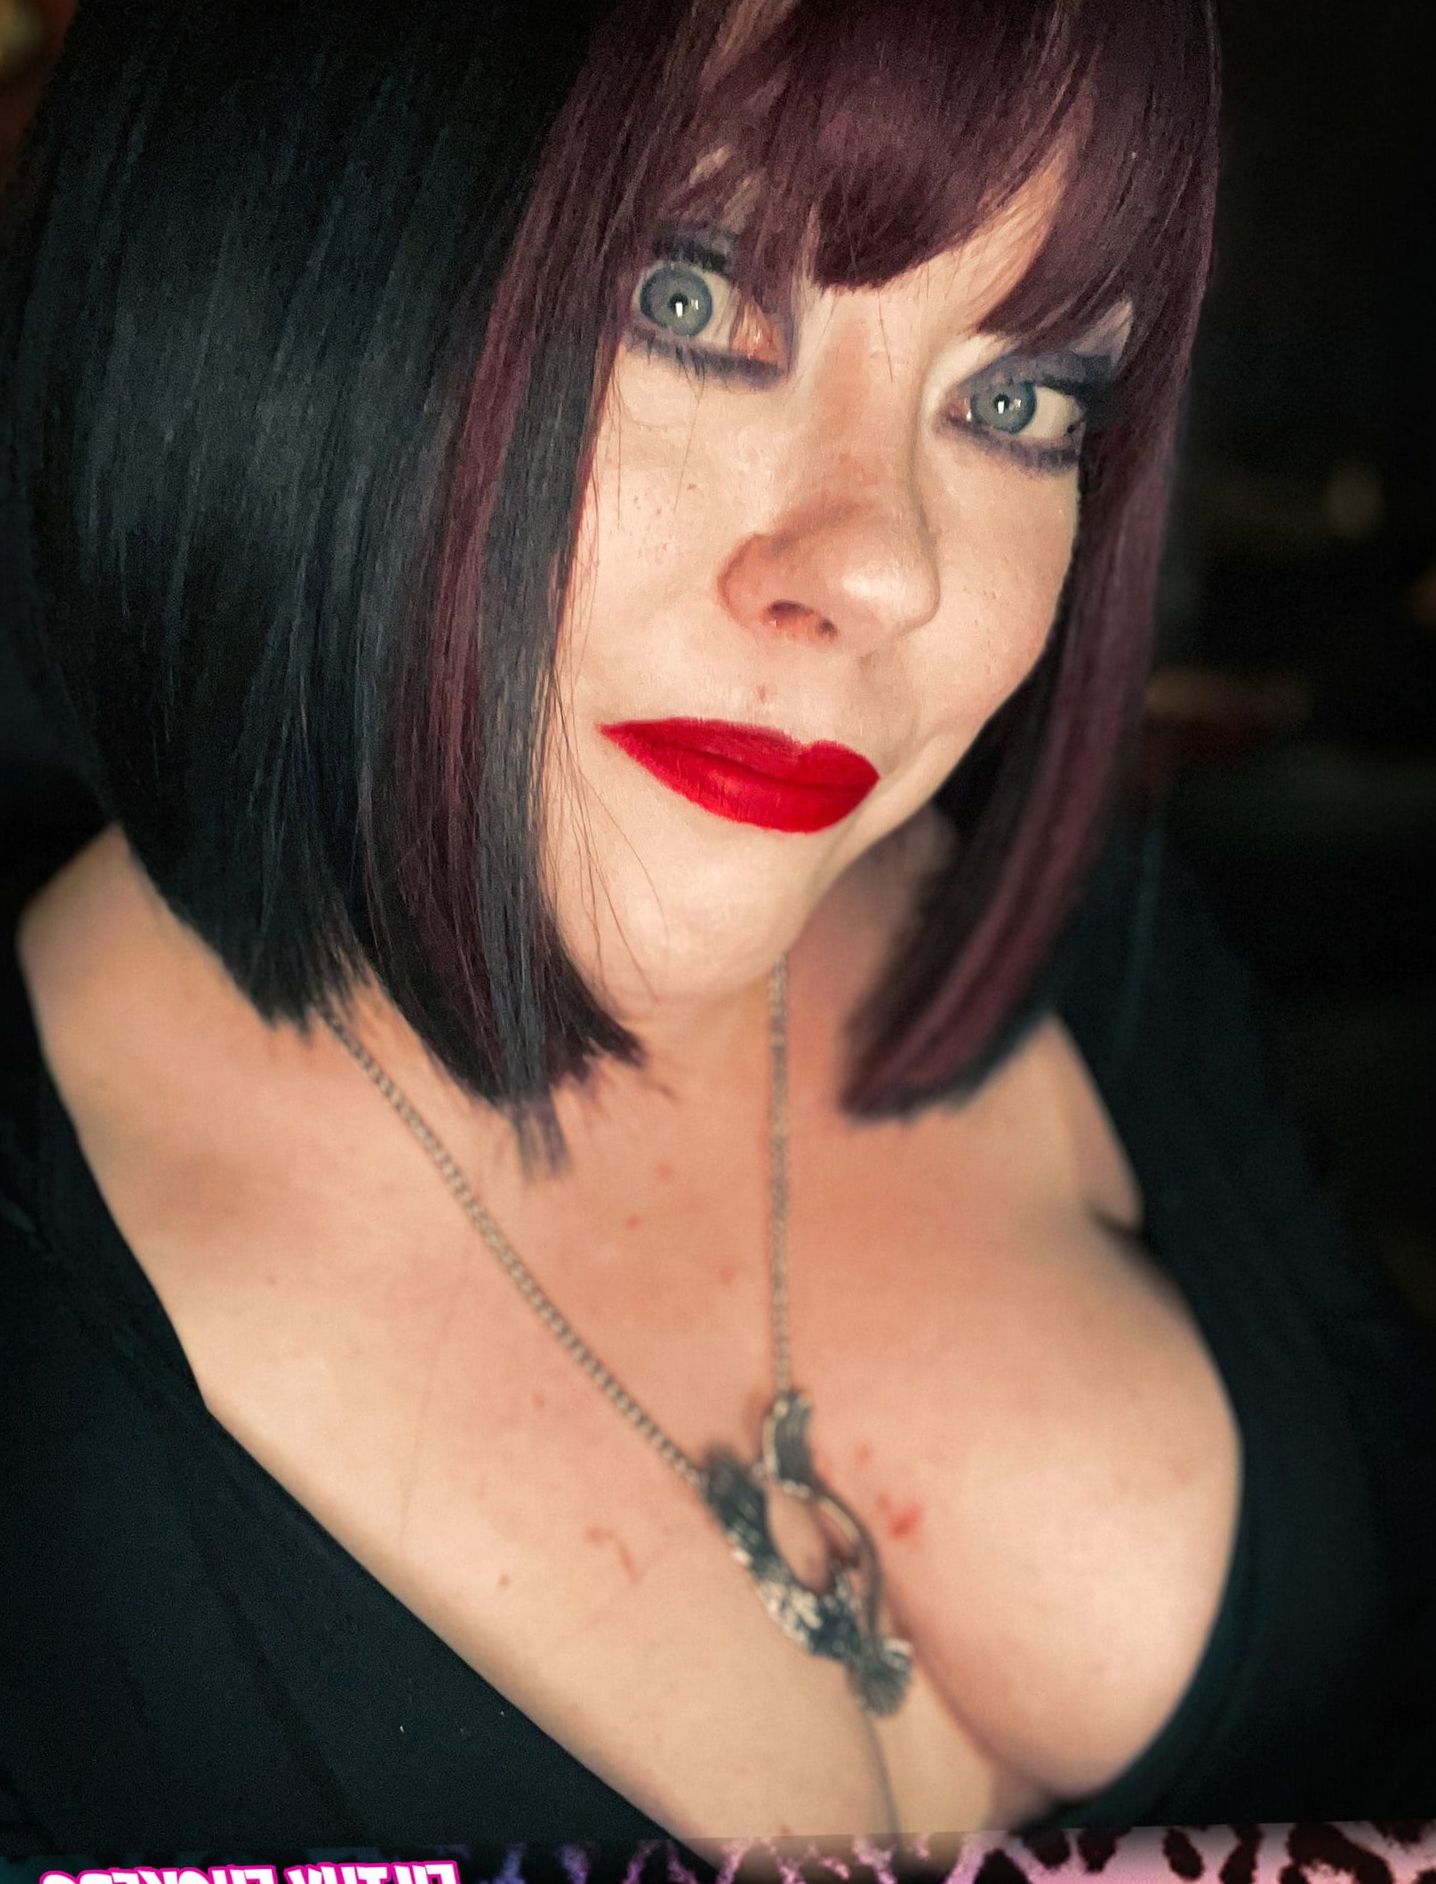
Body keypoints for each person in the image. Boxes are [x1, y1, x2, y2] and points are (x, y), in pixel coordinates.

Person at [1, 0, 1433, 1857]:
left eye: (1018, 400)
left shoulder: (1083, 920)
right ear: (293, 255)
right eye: (686, 298)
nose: (886, 565)